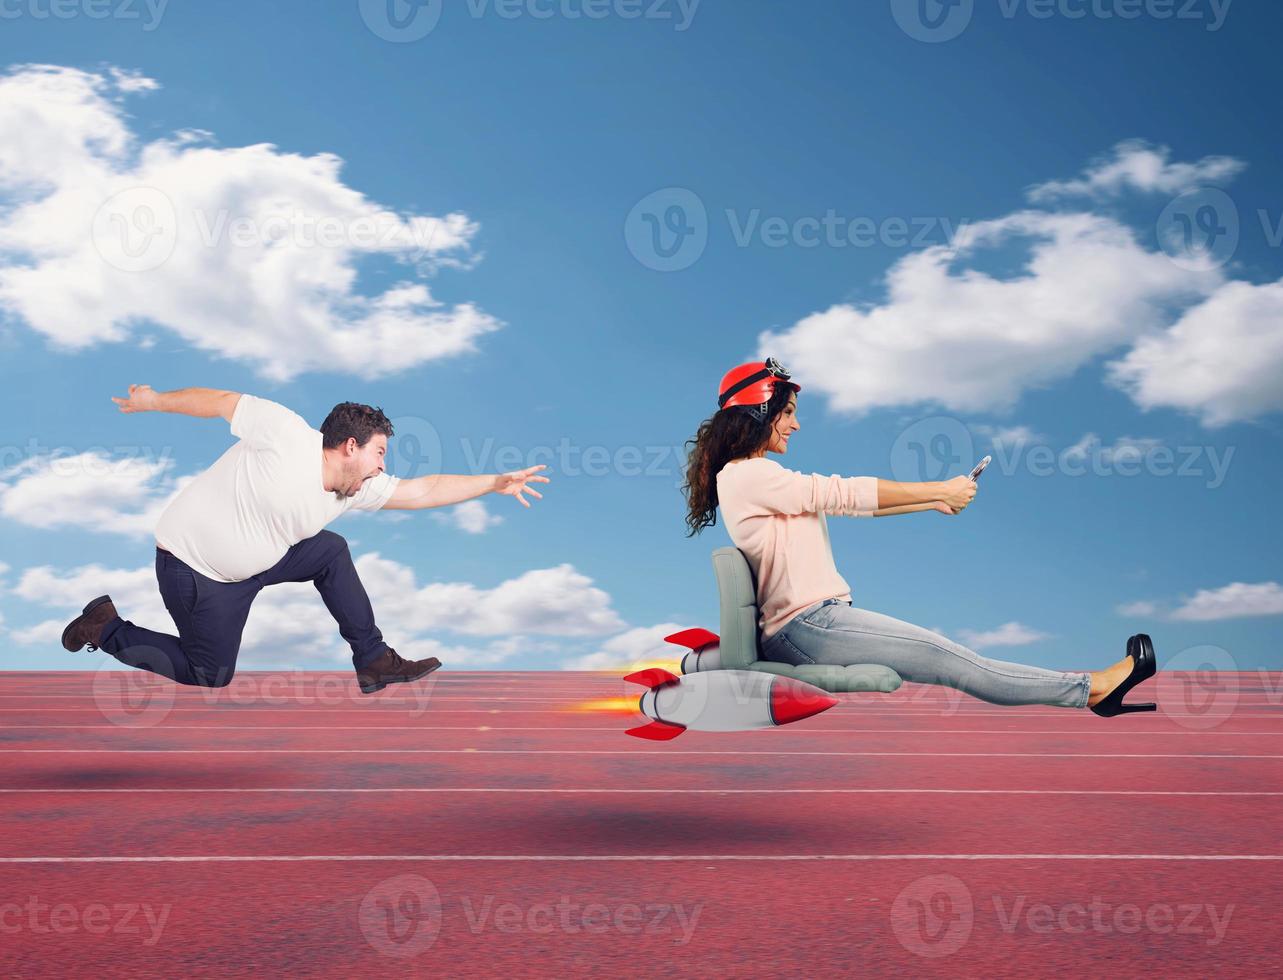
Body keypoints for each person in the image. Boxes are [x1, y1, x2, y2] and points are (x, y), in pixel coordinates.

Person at [680, 358, 1156, 717]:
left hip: (815, 623)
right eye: (788, 412)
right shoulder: (747, 476)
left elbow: (843, 502)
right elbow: (842, 493)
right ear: (759, 412)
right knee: (951, 660)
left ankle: (1093, 689)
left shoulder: (755, 478)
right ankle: (1093, 689)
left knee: (951, 658)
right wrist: (938, 487)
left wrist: (931, 501)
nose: (796, 423)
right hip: (807, 626)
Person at [60, 385, 549, 693]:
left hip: (258, 563)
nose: (384, 466)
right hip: (196, 571)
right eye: (380, 453)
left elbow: (423, 490)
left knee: (330, 552)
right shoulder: (285, 434)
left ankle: (374, 661)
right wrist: (154, 401)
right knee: (209, 673)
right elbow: (221, 403)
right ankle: (104, 627)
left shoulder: (356, 487)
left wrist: (494, 482)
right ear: (349, 446)